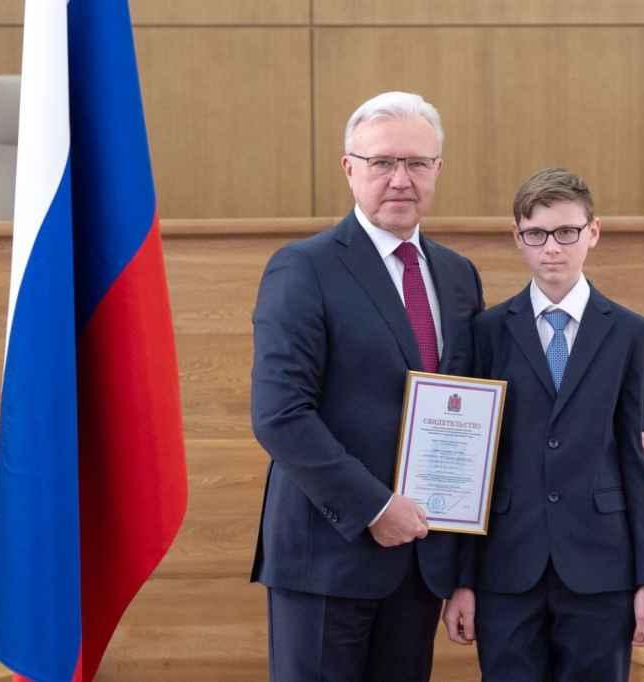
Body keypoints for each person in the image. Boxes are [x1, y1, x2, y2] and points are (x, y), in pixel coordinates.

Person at [249, 91, 484, 681]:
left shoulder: (458, 275)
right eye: (382, 162)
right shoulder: (304, 267)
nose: (400, 179)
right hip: (327, 558)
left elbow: (477, 407)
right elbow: (280, 414)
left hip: (421, 562)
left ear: (438, 169)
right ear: (349, 168)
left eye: (416, 162)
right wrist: (375, 507)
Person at [443, 168, 644, 681]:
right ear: (516, 237)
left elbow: (634, 457)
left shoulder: (630, 333)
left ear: (593, 232)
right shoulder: (486, 332)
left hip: (602, 566)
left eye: (566, 232)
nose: (551, 248)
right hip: (506, 565)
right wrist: (463, 579)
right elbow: (471, 461)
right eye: (536, 234)